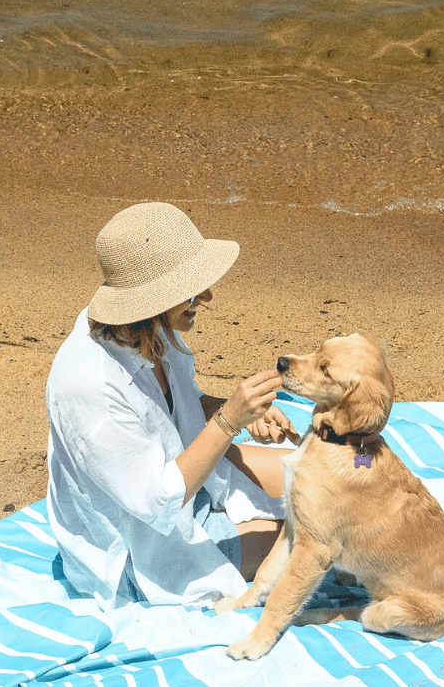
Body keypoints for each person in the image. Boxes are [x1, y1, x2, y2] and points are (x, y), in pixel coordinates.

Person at [45, 201, 299, 609]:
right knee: (322, 539)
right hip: (144, 549)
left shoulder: (141, 330)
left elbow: (169, 403)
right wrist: (229, 418)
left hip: (189, 477)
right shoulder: (90, 384)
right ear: (153, 300)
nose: (209, 297)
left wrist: (238, 410)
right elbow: (157, 502)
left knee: (340, 477)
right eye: (193, 290)